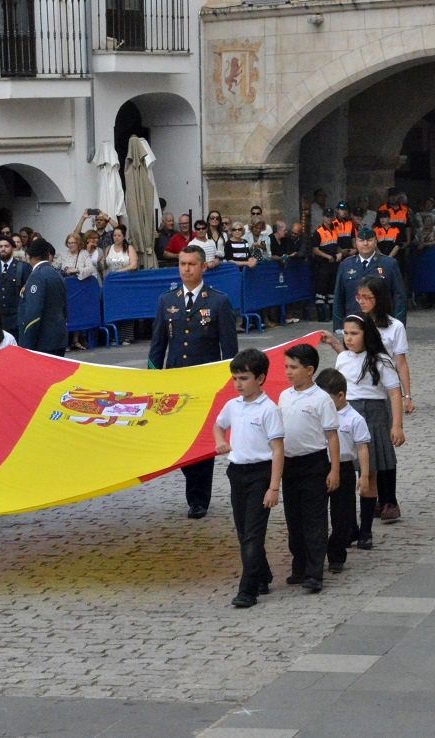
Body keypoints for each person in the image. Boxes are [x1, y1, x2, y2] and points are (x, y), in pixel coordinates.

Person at [148, 245, 239, 519]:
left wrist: (231, 383)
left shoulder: (218, 301)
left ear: (202, 267)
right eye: (182, 264)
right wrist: (153, 379)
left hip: (205, 383)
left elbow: (229, 349)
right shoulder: (167, 300)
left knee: (202, 440)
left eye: (191, 264)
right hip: (176, 381)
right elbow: (158, 344)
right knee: (178, 438)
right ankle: (193, 485)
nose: (186, 269)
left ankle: (198, 499)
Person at [213, 348, 284, 609]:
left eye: (243, 378)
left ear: (261, 378)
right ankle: (262, 575)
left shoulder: (269, 410)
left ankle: (248, 590)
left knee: (254, 533)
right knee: (244, 532)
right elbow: (218, 424)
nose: (238, 384)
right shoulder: (232, 406)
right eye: (235, 379)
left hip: (260, 474)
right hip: (237, 473)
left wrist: (273, 487)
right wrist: (220, 441)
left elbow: (278, 450)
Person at [321, 314, 405, 533]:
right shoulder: (343, 358)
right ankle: (349, 526)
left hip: (374, 415)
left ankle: (366, 529)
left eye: (354, 334)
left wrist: (397, 425)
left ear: (366, 334)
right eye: (346, 334)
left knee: (369, 474)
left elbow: (394, 394)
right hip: (345, 415)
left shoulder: (381, 360)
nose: (349, 338)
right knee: (346, 470)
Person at [277, 343, 339, 593]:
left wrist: (334, 469)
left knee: (314, 519)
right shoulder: (284, 396)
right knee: (294, 518)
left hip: (314, 463)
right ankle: (299, 565)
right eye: (286, 367)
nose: (288, 372)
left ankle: (315, 572)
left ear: (310, 369)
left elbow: (332, 436)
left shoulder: (321, 399)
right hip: (289, 464)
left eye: (294, 367)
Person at [314, 368, 371, 566]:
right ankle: (316, 555)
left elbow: (362, 448)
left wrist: (363, 475)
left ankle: (337, 554)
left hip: (345, 469)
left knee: (343, 517)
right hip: (321, 466)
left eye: (327, 399)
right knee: (317, 514)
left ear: (340, 396)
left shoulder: (355, 418)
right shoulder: (318, 415)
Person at [331, 227, 408, 332]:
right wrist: (338, 325)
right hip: (354, 323)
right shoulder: (346, 265)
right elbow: (339, 296)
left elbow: (400, 296)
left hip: (382, 323)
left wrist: (399, 323)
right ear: (356, 243)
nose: (365, 244)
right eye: (361, 241)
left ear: (375, 242)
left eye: (369, 240)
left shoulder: (389, 264)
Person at [17, 239, 68, 356]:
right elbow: (64, 307)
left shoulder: (37, 276)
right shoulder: (56, 274)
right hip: (58, 338)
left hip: (42, 341)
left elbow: (33, 313)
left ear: (31, 256)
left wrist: (26, 343)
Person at [104, 225, 138, 345]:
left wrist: (119, 272)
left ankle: (127, 336)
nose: (116, 238)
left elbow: (133, 265)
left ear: (123, 237)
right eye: (114, 235)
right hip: (112, 284)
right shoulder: (108, 249)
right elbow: (105, 266)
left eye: (119, 236)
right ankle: (115, 336)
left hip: (125, 283)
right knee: (114, 309)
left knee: (126, 308)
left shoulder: (129, 248)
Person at [0, 236, 31, 339]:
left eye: (6, 246)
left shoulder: (22, 267)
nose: (3, 249)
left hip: (16, 318)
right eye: (1, 246)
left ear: (13, 248)